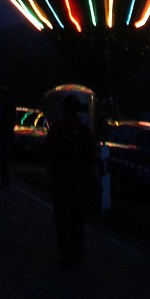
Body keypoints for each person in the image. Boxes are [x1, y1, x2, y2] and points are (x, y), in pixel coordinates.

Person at [44, 93, 97, 266]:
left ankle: (64, 251)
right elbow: (91, 156)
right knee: (78, 215)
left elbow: (49, 152)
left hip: (61, 178)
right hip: (79, 179)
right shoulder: (84, 131)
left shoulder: (57, 128)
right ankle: (78, 248)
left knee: (62, 216)